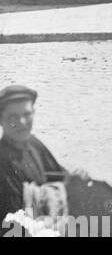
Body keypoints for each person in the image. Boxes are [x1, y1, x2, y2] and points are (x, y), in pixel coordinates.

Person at [0, 86, 69, 231]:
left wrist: (77, 179)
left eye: (27, 114)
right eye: (13, 117)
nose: (22, 122)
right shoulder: (3, 162)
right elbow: (13, 224)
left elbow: (60, 177)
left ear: (34, 113)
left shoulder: (34, 144)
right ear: (1, 120)